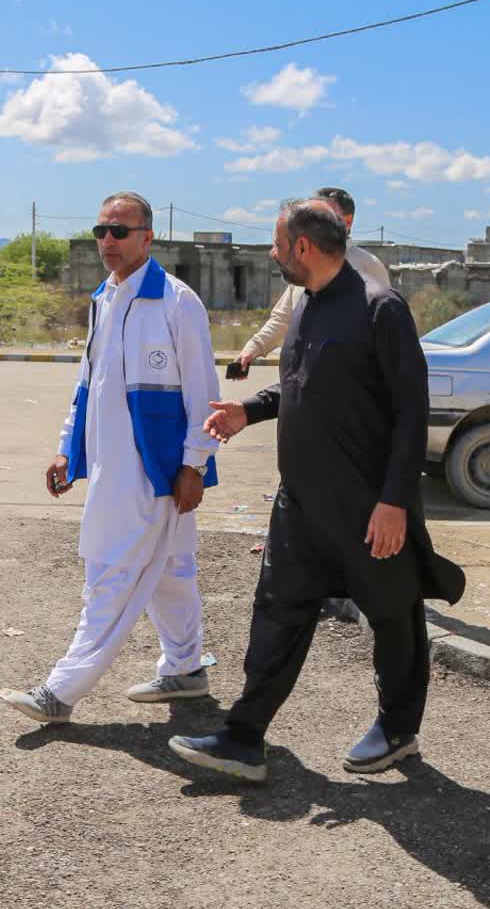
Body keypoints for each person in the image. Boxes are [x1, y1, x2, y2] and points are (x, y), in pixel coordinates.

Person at [168, 200, 464, 783]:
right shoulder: (306, 307)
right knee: (278, 612)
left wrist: (393, 502)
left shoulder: (380, 310)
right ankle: (243, 736)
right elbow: (300, 386)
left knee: (393, 617)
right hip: (301, 503)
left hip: (367, 506)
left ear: (303, 247)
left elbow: (411, 413)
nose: (273, 256)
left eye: (277, 246)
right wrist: (246, 411)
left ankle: (398, 729)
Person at [0, 191, 221, 723]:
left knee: (111, 574)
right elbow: (88, 387)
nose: (107, 241)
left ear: (147, 237)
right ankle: (186, 668)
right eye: (101, 231)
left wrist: (195, 466)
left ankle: (60, 691)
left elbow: (203, 394)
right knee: (169, 570)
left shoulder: (176, 302)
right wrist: (64, 449)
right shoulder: (104, 298)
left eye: (119, 231)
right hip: (108, 469)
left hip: (153, 474)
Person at [230, 186, 390, 375]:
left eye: (327, 216)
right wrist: (252, 348)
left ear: (348, 221)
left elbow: (384, 335)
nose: (317, 224)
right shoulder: (302, 269)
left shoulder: (368, 266)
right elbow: (282, 318)